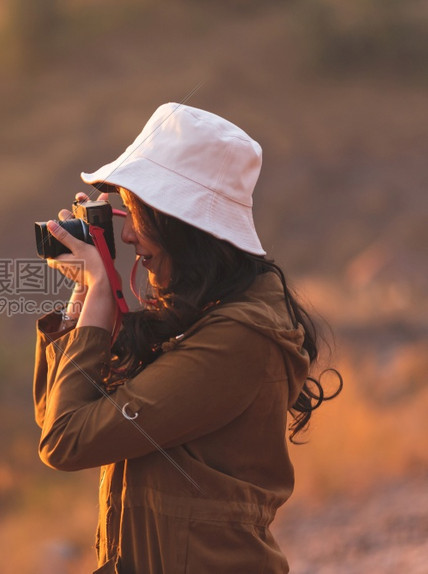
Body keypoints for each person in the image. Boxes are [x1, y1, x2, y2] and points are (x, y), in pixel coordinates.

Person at [33, 103, 342, 573]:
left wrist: (101, 292)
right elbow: (57, 413)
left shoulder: (239, 339)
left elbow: (68, 440)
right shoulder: (193, 317)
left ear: (183, 228)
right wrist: (82, 299)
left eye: (138, 215)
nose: (130, 236)